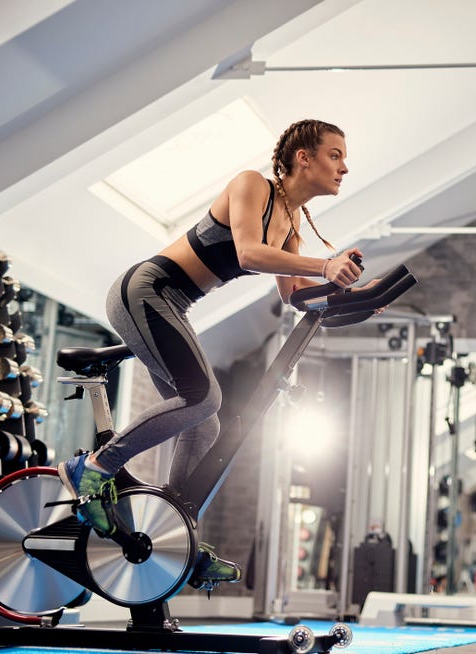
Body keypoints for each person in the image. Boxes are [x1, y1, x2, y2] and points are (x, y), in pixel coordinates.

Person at [58, 119, 367, 590]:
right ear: (303, 157)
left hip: (172, 302)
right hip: (145, 290)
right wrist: (326, 265)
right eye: (335, 155)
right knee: (203, 398)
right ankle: (94, 468)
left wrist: (351, 297)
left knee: (204, 421)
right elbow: (247, 253)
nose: (345, 166)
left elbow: (295, 296)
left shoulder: (291, 226)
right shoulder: (251, 185)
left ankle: (173, 528)